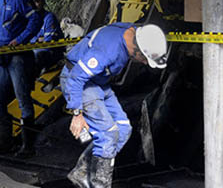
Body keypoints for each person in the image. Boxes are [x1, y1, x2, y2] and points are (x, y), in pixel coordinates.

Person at [60, 23, 168, 187]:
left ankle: (82, 171)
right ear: (136, 49)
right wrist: (77, 114)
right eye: (145, 59)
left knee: (124, 128)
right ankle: (100, 184)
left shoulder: (134, 32)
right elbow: (76, 77)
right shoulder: (108, 51)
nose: (145, 63)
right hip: (78, 81)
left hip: (98, 83)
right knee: (108, 134)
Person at [0, 0, 42, 157]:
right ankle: (3, 141)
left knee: (23, 101)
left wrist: (20, 40)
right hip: (2, 56)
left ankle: (28, 147)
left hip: (18, 57)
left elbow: (35, 20)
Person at [27, 0, 63, 74]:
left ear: (43, 1)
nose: (34, 5)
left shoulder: (49, 18)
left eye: (37, 1)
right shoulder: (29, 19)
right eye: (32, 2)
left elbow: (48, 44)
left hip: (51, 54)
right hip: (36, 51)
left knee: (36, 56)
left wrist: (33, 41)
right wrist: (37, 40)